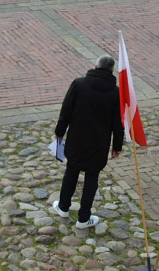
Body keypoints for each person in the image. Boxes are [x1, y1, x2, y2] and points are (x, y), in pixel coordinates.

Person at [52, 55, 124, 230]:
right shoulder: (115, 92)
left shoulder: (79, 84)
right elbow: (117, 122)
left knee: (71, 171)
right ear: (111, 71)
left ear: (95, 66)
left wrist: (59, 132)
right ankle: (84, 218)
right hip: (99, 143)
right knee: (92, 177)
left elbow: (66, 110)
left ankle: (63, 207)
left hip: (77, 138)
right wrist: (117, 146)